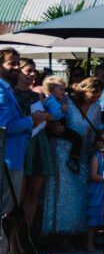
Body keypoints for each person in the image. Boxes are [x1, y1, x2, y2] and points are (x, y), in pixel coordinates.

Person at [42, 77, 104, 249]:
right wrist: (52, 127)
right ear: (83, 91)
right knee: (63, 192)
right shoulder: (67, 101)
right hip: (62, 151)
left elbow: (92, 130)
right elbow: (53, 118)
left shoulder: (97, 107)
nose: (95, 99)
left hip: (83, 152)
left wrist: (94, 148)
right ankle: (61, 233)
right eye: (93, 95)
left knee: (80, 193)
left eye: (98, 96)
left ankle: (78, 231)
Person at [17, 59, 51, 230]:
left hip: (39, 142)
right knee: (18, 194)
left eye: (34, 71)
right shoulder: (12, 93)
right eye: (29, 70)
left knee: (33, 193)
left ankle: (26, 236)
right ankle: (12, 237)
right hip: (23, 143)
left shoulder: (34, 95)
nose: (33, 74)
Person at [43, 75, 83, 173]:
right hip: (57, 126)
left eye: (64, 89)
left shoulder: (55, 100)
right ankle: (73, 158)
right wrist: (62, 110)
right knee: (77, 138)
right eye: (61, 89)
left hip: (59, 126)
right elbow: (54, 116)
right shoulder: (51, 101)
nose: (63, 92)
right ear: (51, 89)